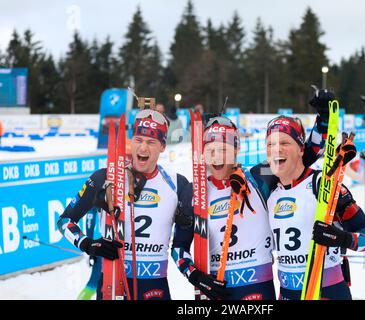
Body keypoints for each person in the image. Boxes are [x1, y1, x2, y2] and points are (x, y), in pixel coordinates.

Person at [171, 90, 333, 300]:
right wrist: (196, 277)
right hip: (216, 290)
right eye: (210, 150)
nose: (217, 157)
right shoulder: (194, 192)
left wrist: (324, 119)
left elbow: (303, 155)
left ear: (236, 150)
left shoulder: (259, 177)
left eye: (223, 149)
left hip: (258, 291)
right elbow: (178, 248)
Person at [58, 108, 189, 300]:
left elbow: (186, 241)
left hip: (155, 287)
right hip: (113, 283)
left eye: (151, 142)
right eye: (138, 140)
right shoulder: (105, 177)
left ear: (162, 146)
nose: (143, 148)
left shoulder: (177, 184)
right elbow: (64, 221)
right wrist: (88, 243)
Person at [265, 114, 365, 300]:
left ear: (301, 149)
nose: (277, 149)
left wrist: (342, 238)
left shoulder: (323, 185)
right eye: (270, 144)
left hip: (328, 291)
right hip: (287, 294)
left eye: (284, 143)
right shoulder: (269, 193)